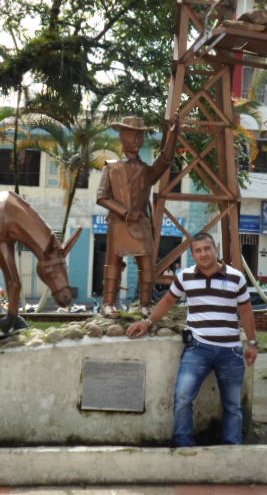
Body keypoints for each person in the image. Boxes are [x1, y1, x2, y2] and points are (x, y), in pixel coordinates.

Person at [126, 232, 258, 446]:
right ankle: (183, 446)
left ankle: (233, 448)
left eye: (207, 248)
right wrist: (148, 323)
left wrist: (252, 343)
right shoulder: (185, 277)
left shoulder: (236, 277)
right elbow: (168, 301)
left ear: (216, 250)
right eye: (198, 250)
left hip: (231, 351)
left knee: (233, 405)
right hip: (198, 348)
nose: (203, 253)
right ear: (193, 255)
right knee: (183, 398)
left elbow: (246, 311)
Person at [97, 112, 184, 317]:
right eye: (130, 135)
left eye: (139, 136)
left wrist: (172, 135)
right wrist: (125, 212)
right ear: (122, 137)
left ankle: (146, 304)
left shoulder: (147, 171)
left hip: (141, 223)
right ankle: (108, 303)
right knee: (114, 264)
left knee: (146, 264)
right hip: (119, 223)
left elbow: (165, 160)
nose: (135, 140)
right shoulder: (112, 168)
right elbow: (101, 197)